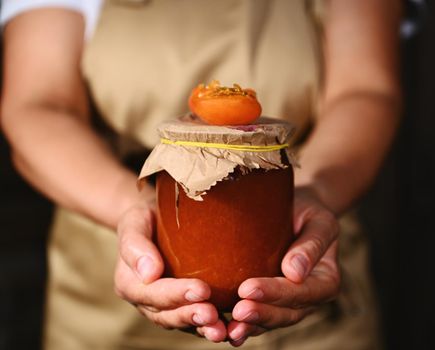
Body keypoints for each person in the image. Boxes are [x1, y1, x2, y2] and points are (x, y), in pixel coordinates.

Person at [0, 0, 401, 349]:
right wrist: (132, 207)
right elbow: (39, 105)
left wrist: (316, 194)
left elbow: (365, 90)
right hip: (107, 301)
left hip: (305, 274)